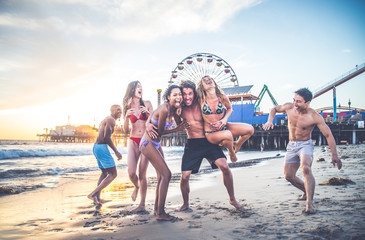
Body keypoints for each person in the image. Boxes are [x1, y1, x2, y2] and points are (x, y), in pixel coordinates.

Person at [263, 88, 342, 214]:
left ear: (307, 103)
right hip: (291, 145)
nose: (295, 103)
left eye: (298, 101)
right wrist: (270, 120)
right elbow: (274, 109)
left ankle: (309, 203)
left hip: (305, 144)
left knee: (306, 168)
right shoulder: (289, 107)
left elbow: (328, 135)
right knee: (289, 176)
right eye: (294, 100)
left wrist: (334, 155)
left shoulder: (314, 116)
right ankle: (306, 191)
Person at [173, 80, 245, 212]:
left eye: (190, 93)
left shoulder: (201, 104)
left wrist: (222, 122)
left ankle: (233, 199)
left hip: (209, 141)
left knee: (225, 167)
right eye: (184, 94)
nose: (188, 97)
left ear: (194, 93)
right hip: (193, 144)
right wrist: (179, 122)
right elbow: (179, 126)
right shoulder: (179, 108)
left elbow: (218, 109)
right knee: (184, 177)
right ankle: (185, 204)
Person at [139, 85, 184, 221]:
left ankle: (157, 210)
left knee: (161, 177)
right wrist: (177, 130)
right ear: (168, 97)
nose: (178, 97)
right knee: (167, 174)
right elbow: (160, 132)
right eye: (174, 95)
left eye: (180, 94)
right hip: (148, 143)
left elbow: (180, 123)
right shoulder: (164, 109)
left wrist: (180, 116)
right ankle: (161, 213)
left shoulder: (175, 109)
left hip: (156, 144)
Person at [196, 75, 254, 162]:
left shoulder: (222, 97)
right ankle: (231, 152)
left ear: (214, 84)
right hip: (211, 133)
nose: (208, 80)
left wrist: (224, 120)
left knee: (250, 129)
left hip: (224, 126)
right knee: (227, 134)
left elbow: (230, 108)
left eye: (210, 79)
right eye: (205, 80)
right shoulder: (200, 100)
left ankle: (237, 144)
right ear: (202, 87)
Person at [122, 81, 153, 212]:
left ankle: (142, 204)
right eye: (137, 86)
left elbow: (154, 121)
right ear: (132, 90)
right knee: (131, 172)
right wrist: (126, 118)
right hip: (133, 140)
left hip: (145, 140)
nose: (140, 88)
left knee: (142, 174)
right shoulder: (127, 106)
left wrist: (148, 113)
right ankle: (136, 187)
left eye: (141, 86)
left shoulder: (148, 104)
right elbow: (125, 129)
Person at [88, 104, 123, 205]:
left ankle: (97, 199)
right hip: (102, 147)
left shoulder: (106, 119)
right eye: (117, 110)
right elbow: (107, 137)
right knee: (113, 174)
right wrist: (116, 151)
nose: (119, 111)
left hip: (96, 147)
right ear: (111, 111)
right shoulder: (111, 120)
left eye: (120, 110)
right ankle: (93, 194)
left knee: (104, 173)